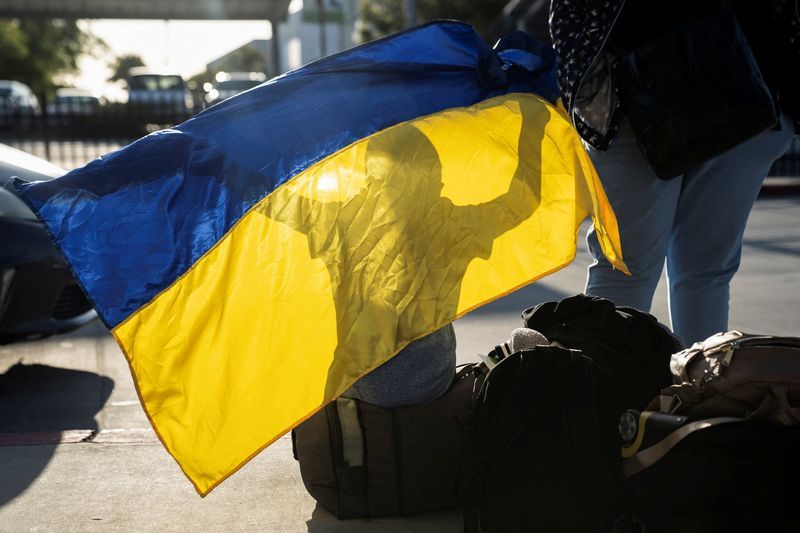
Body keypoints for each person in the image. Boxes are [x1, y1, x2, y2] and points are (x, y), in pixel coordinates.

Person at [549, 0, 798, 346]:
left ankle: (608, 395)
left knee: (625, 269)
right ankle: (703, 393)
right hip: (746, 83)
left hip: (645, 83)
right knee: (702, 275)